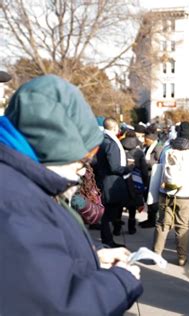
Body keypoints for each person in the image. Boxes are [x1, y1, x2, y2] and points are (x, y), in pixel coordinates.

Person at [0, 75, 142, 314]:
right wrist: (121, 281)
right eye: (82, 159)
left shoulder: (23, 186)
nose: (82, 169)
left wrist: (93, 259)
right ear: (56, 148)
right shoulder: (18, 203)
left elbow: (42, 264)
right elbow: (55, 306)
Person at [152, 121, 189, 266]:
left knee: (163, 224)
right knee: (182, 226)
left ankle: (156, 254)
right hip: (186, 195)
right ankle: (181, 257)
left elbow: (159, 166)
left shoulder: (167, 150)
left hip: (166, 192)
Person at [94, 117, 134, 247]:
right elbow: (115, 167)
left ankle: (108, 239)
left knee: (107, 213)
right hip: (111, 181)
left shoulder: (101, 140)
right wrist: (128, 168)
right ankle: (108, 240)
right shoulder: (111, 143)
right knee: (108, 214)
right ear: (115, 128)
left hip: (104, 179)